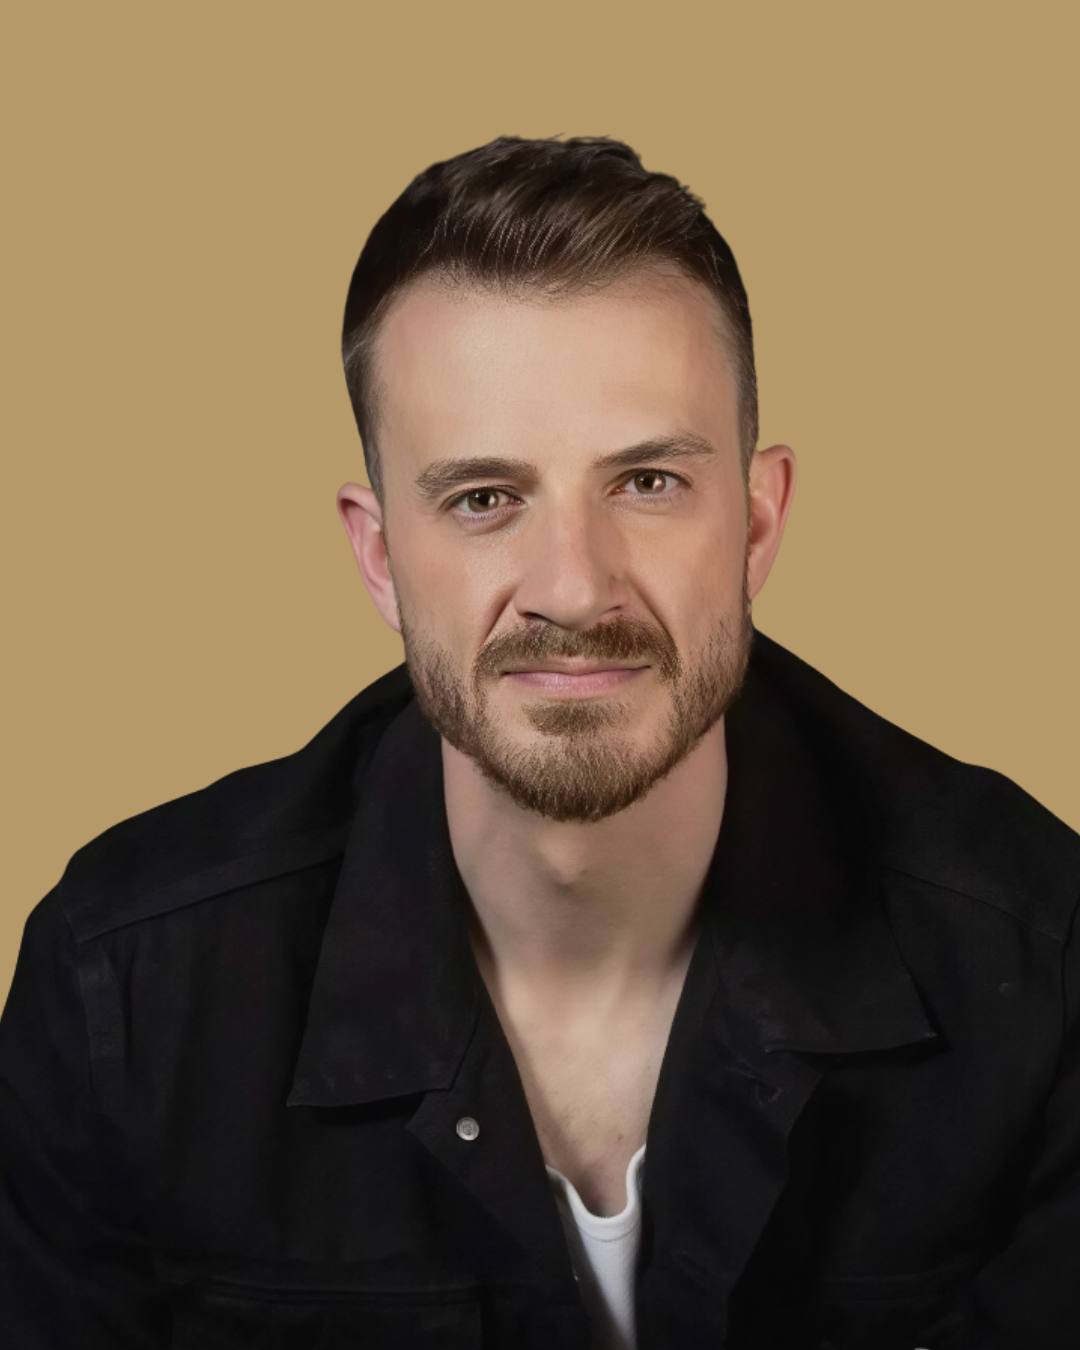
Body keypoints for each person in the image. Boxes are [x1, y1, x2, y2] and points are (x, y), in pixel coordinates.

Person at [1, 136, 1077, 1350]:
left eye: (650, 484)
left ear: (760, 520)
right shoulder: (129, 998)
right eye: (482, 500)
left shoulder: (1044, 967)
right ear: (378, 556)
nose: (574, 587)